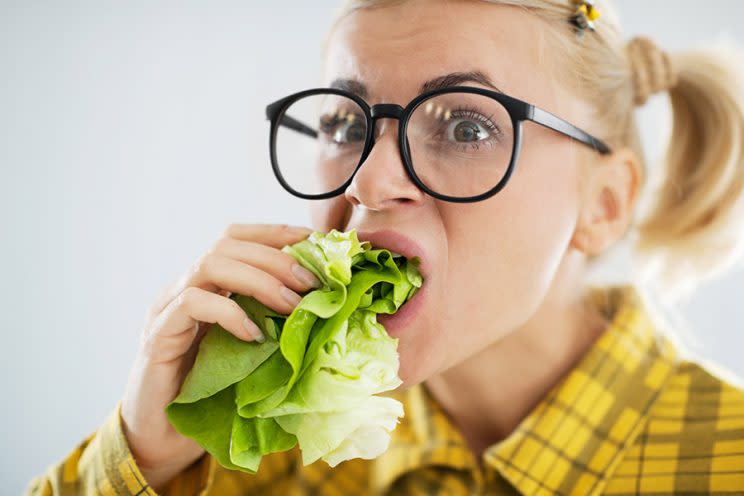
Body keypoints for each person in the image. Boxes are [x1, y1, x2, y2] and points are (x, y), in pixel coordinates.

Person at [26, 0, 744, 494]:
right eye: (344, 124)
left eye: (466, 127)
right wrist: (143, 457)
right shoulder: (248, 457)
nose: (368, 181)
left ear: (605, 204)